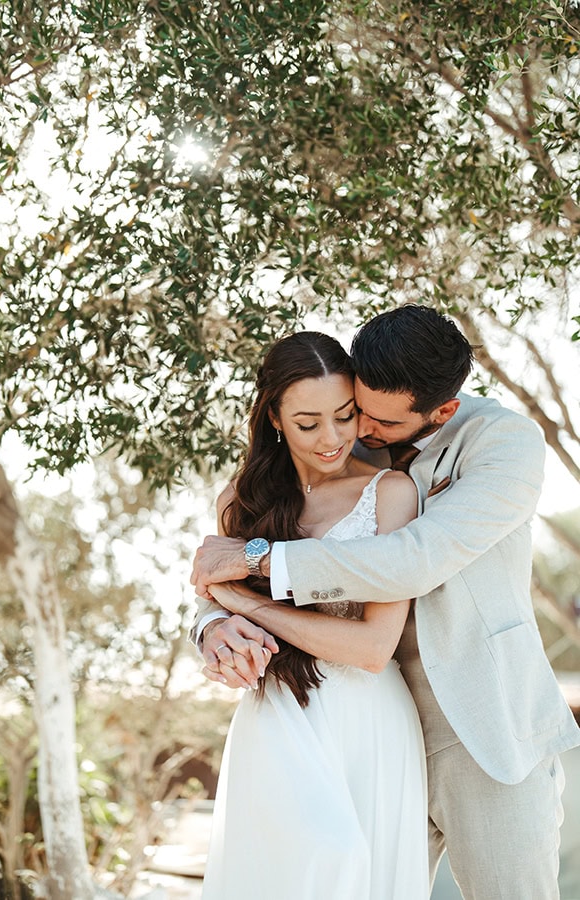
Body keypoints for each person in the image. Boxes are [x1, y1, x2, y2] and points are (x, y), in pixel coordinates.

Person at [192, 305, 580, 900]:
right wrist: (212, 623)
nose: (358, 433)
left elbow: (415, 558)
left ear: (441, 411)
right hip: (356, 728)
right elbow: (220, 571)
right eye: (355, 409)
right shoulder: (336, 438)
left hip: (481, 728)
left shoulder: (504, 443)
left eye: (376, 420)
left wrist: (258, 563)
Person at [198, 331, 429, 900]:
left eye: (345, 416)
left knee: (355, 867)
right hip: (276, 711)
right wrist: (214, 630)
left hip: (369, 719)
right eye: (308, 423)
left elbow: (373, 647)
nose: (331, 439)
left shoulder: (390, 494)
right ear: (275, 417)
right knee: (309, 866)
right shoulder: (240, 499)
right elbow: (206, 599)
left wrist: (247, 602)